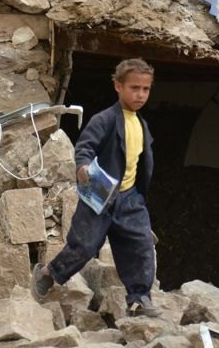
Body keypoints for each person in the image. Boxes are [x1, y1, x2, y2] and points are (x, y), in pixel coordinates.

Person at [31, 58, 161, 317]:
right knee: (84, 247)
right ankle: (48, 274)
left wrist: (137, 195)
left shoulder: (140, 124)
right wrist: (82, 167)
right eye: (134, 88)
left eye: (145, 89)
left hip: (130, 199)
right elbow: (85, 147)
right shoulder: (105, 119)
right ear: (117, 86)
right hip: (101, 195)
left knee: (141, 245)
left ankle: (139, 299)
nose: (140, 94)